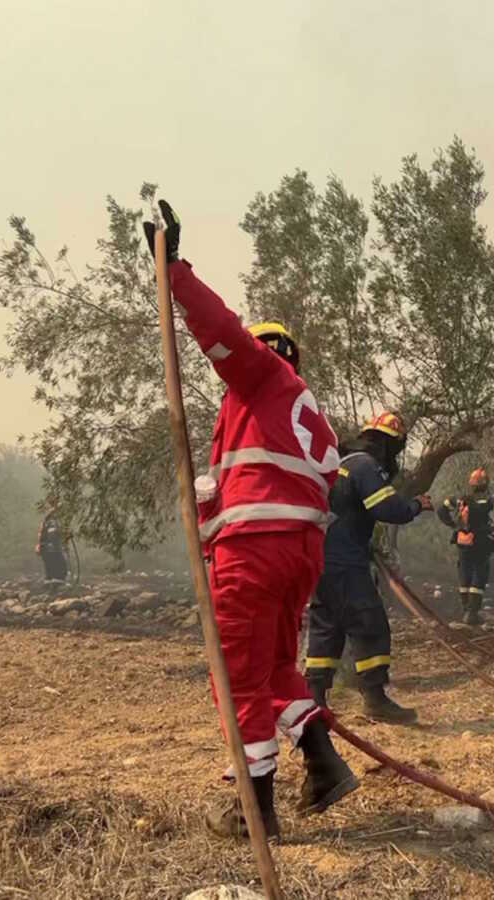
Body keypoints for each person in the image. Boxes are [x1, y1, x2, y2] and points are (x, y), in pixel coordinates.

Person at [143, 200, 357, 842]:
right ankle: (323, 765)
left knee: (237, 683)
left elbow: (222, 331)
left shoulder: (262, 377)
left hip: (255, 553)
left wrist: (173, 273)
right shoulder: (298, 412)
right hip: (296, 556)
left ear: (271, 351)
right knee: (273, 672)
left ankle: (254, 814)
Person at [304, 412, 431, 724]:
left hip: (320, 562)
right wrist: (416, 505)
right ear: (388, 445)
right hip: (346, 564)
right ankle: (375, 699)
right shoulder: (365, 466)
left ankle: (314, 700)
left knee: (327, 627)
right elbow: (387, 508)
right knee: (369, 624)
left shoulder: (339, 465)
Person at [437, 468, 494, 625]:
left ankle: (465, 611)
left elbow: (441, 510)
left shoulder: (459, 499)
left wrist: (454, 525)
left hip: (462, 542)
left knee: (464, 572)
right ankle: (472, 613)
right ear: (485, 484)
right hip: (481, 542)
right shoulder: (489, 500)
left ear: (471, 483)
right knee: (480, 573)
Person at [35, 508, 68, 582]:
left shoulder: (46, 522)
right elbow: (52, 534)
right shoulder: (52, 522)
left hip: (47, 549)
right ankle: (55, 585)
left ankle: (51, 584)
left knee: (51, 570)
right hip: (51, 549)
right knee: (59, 569)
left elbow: (42, 535)